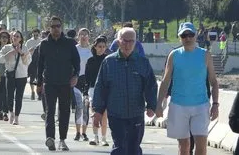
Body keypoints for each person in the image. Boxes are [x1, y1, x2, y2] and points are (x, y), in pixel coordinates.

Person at [156, 22, 219, 155]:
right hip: (178, 105)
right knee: (184, 146)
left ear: (195, 36)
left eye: (190, 34)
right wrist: (158, 104)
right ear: (180, 37)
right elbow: (165, 81)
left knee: (201, 144)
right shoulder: (174, 55)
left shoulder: (205, 55)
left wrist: (215, 104)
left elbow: (213, 81)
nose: (188, 38)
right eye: (184, 35)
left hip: (201, 105)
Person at [93, 27, 157, 155]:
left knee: (134, 148)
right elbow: (101, 87)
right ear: (118, 41)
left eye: (131, 41)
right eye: (124, 41)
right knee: (120, 147)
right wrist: (98, 111)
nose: (127, 44)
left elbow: (151, 85)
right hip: (116, 113)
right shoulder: (109, 62)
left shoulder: (142, 62)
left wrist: (151, 105)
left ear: (135, 42)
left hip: (136, 113)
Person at [37, 16, 80, 151]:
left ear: (62, 27)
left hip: (65, 83)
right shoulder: (44, 44)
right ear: (49, 28)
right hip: (49, 82)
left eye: (58, 26)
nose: (56, 29)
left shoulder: (69, 43)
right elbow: (39, 65)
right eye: (53, 26)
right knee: (49, 111)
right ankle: (50, 138)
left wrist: (75, 76)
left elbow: (76, 63)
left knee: (64, 111)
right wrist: (39, 83)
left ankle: (62, 139)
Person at [0, 30, 31, 125]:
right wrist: (11, 53)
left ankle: (16, 117)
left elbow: (28, 62)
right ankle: (11, 112)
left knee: (19, 97)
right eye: (14, 36)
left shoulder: (25, 48)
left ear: (20, 39)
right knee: (10, 96)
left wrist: (22, 53)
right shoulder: (6, 47)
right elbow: (0, 59)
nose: (15, 38)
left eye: (17, 36)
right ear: (11, 38)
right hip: (10, 74)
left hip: (21, 75)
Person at [85, 36, 109, 146]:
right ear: (95, 47)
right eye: (99, 46)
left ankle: (104, 138)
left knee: (104, 114)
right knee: (94, 113)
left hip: (105, 90)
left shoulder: (108, 60)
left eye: (104, 47)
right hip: (93, 90)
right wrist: (85, 93)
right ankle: (95, 137)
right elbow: (87, 78)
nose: (102, 49)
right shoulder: (90, 61)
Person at [73, 28, 92, 142]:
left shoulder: (92, 50)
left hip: (88, 82)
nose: (84, 37)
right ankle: (77, 132)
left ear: (89, 37)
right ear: (78, 36)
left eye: (86, 34)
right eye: (81, 34)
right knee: (79, 107)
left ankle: (84, 133)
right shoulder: (74, 49)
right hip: (76, 81)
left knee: (86, 108)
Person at [25, 28, 42, 100]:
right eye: (34, 34)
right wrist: (31, 50)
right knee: (32, 77)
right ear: (32, 34)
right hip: (31, 61)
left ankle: (39, 93)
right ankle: (32, 92)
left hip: (39, 61)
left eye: (37, 35)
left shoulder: (41, 41)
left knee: (39, 78)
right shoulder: (29, 42)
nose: (35, 36)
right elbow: (25, 51)